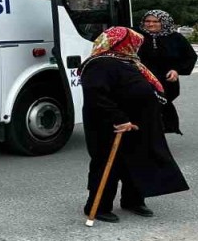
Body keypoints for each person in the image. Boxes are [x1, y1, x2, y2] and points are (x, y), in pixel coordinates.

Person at [79, 26, 190, 223]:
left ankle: (133, 200)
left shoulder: (129, 61)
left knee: (138, 159)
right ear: (121, 43)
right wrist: (119, 119)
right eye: (134, 42)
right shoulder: (100, 63)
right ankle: (98, 206)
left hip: (138, 123)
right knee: (107, 165)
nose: (137, 46)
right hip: (111, 125)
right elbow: (96, 95)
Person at [135, 10, 198, 134]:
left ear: (164, 22)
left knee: (160, 105)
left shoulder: (175, 38)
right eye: (147, 21)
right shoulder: (135, 35)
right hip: (140, 78)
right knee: (146, 106)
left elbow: (190, 57)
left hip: (165, 79)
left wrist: (176, 70)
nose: (150, 24)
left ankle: (155, 133)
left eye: (155, 21)